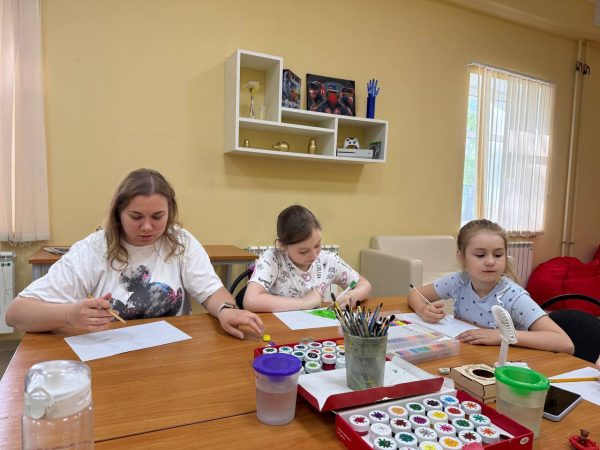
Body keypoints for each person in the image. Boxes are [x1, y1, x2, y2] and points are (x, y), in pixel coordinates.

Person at [6, 168, 263, 340]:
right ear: (118, 213)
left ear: (170, 213)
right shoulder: (94, 249)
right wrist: (69, 314)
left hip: (170, 358)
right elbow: (16, 314)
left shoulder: (180, 242)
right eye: (136, 217)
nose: (148, 227)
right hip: (110, 359)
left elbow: (211, 291)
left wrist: (227, 310)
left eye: (158, 217)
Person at [407, 219, 574, 354]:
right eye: (480, 255)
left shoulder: (513, 296)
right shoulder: (459, 281)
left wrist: (502, 336)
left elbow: (564, 343)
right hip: (470, 356)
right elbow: (415, 293)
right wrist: (423, 309)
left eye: (498, 255)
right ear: (461, 257)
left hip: (506, 365)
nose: (490, 261)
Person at [243, 205, 371, 312]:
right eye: (303, 251)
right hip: (279, 328)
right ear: (282, 246)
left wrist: (351, 296)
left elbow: (364, 284)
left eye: (317, 245)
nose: (314, 255)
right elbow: (250, 300)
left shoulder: (328, 261)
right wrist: (303, 303)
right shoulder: (273, 259)